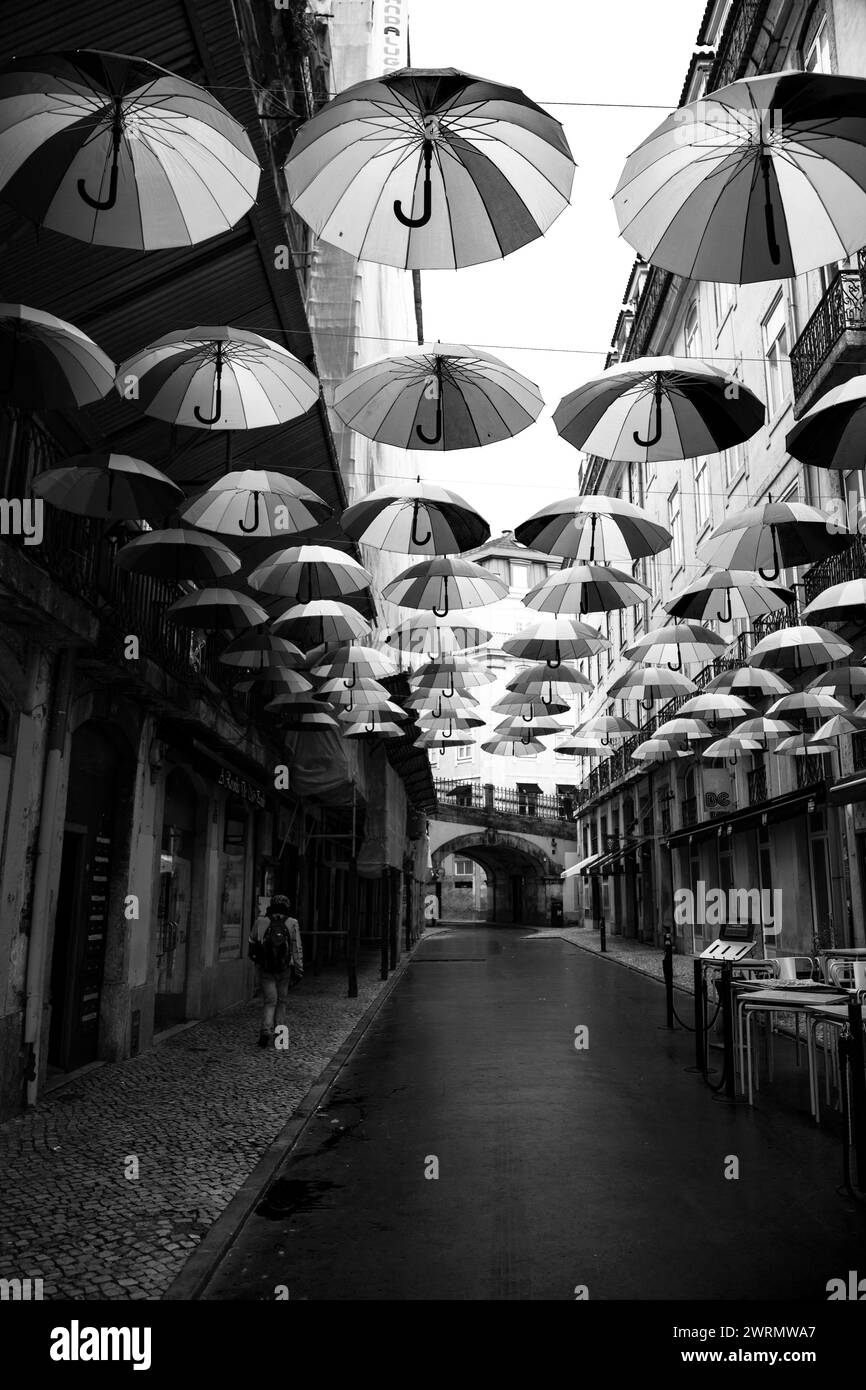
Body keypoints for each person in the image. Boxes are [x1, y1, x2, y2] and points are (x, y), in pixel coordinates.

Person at [248, 894, 303, 1049]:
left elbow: (251, 942)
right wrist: (299, 970)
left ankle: (265, 1031)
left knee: (269, 1001)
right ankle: (280, 1035)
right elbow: (297, 948)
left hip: (266, 969)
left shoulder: (261, 921)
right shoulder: (292, 923)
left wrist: (257, 960)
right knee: (282, 1001)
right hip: (285, 969)